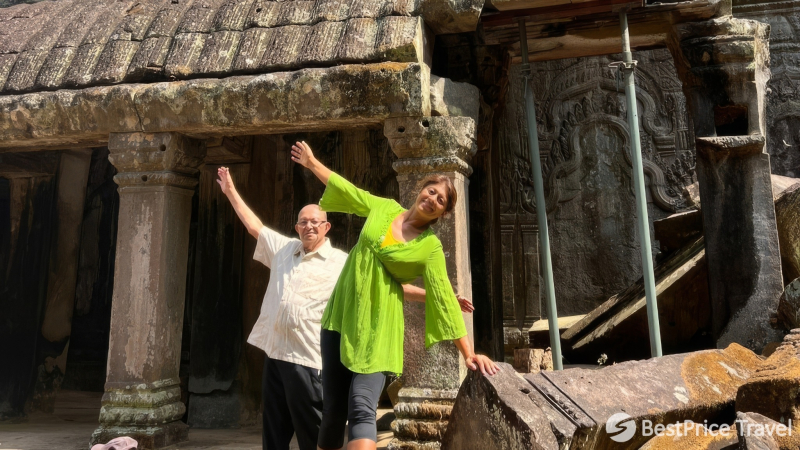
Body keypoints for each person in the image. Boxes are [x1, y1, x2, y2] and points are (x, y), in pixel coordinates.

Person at [215, 167, 474, 450]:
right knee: (284, 433)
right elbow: (255, 227)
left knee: (329, 422)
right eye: (303, 222)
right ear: (296, 227)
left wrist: (441, 302)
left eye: (315, 222)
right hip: (278, 353)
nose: (309, 226)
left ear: (327, 228)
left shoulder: (341, 261)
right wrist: (230, 191)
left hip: (309, 357)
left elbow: (382, 285)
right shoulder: (284, 250)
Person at [289, 142, 499, 450]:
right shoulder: (385, 208)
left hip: (379, 328)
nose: (433, 199)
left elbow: (443, 298)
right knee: (333, 410)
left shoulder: (429, 247)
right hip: (342, 316)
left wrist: (469, 353)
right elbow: (348, 191)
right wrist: (311, 162)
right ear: (421, 190)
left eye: (440, 200)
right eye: (431, 191)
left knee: (361, 405)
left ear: (443, 212)